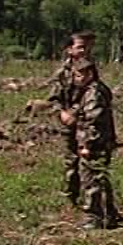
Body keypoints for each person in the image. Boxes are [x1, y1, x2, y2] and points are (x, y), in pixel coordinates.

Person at [69, 58, 117, 230]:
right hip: (101, 142)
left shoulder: (93, 93)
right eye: (75, 74)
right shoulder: (93, 90)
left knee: (91, 179)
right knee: (100, 178)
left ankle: (94, 216)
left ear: (90, 74)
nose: (76, 78)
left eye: (80, 74)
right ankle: (108, 214)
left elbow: (93, 122)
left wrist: (86, 145)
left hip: (96, 144)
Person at [50, 31, 97, 207]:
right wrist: (62, 113)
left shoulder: (90, 67)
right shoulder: (63, 72)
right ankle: (70, 197)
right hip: (69, 123)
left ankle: (90, 200)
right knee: (71, 162)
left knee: (90, 163)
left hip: (87, 122)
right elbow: (54, 99)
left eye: (86, 47)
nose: (84, 50)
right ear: (69, 49)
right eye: (80, 47)